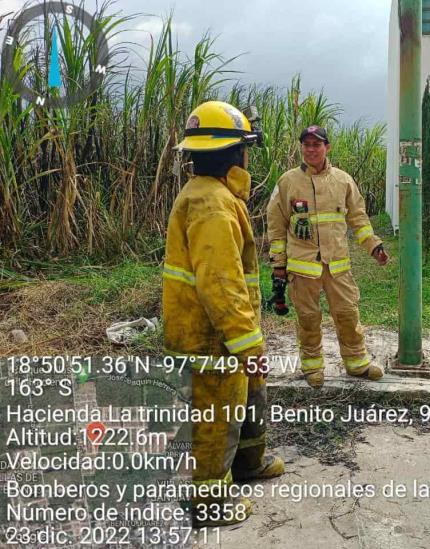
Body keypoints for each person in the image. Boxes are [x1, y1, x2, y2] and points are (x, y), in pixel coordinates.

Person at [162, 101, 284, 527]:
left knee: (248, 399)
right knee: (217, 415)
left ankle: (249, 464)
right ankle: (209, 503)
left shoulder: (212, 195)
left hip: (226, 331)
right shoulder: (212, 204)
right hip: (212, 336)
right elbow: (221, 284)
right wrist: (246, 343)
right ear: (235, 153)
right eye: (246, 147)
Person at [266, 126, 389, 388]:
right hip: (303, 268)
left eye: (317, 144)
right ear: (301, 148)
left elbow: (358, 219)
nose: (311, 149)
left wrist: (374, 245)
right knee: (308, 318)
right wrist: (278, 265)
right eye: (306, 145)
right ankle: (313, 367)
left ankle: (357, 363)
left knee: (347, 313)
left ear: (327, 147)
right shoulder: (287, 182)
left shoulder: (343, 180)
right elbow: (276, 227)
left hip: (337, 266)